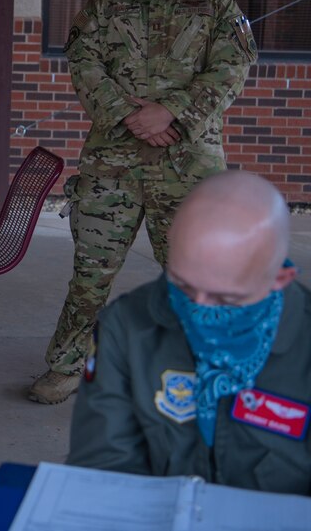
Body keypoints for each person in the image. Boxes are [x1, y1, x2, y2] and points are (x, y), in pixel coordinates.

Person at [28, 0, 258, 404]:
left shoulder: (214, 4)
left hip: (187, 165)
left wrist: (169, 112)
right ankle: (66, 366)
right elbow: (83, 62)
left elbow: (231, 69)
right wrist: (128, 115)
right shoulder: (104, 4)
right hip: (112, 164)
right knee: (91, 273)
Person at [68, 171, 309, 495]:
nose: (198, 308)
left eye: (225, 299)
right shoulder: (126, 325)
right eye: (183, 286)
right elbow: (101, 464)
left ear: (280, 278)